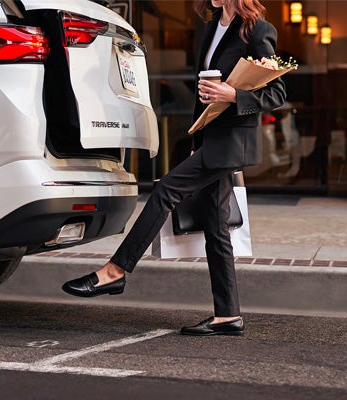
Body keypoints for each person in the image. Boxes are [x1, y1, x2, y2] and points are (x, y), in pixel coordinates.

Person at [61, 0, 286, 337]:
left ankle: (116, 270)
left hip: (232, 142)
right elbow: (205, 88)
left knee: (166, 191)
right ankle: (227, 315)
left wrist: (232, 94)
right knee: (215, 225)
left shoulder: (256, 30)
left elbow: (277, 92)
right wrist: (197, 133)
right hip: (210, 138)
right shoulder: (212, 28)